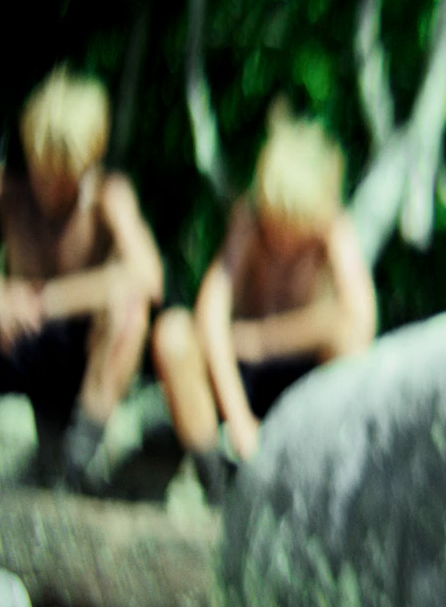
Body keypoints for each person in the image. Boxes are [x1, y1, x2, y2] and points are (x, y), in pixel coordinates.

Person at [0, 69, 164, 495]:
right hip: (9, 344)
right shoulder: (5, 190)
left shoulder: (109, 197)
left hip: (74, 358)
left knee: (129, 308)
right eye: (43, 170)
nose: (50, 186)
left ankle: (73, 469)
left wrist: (48, 299)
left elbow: (149, 277)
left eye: (64, 174)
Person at [151, 101, 377, 502]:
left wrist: (263, 338)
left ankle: (320, 474)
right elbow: (210, 316)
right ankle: (214, 480)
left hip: (303, 381)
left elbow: (360, 321)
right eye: (277, 225)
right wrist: (239, 421)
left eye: (296, 228)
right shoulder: (249, 224)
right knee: (173, 335)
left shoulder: (334, 231)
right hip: (241, 383)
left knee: (347, 338)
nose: (284, 241)